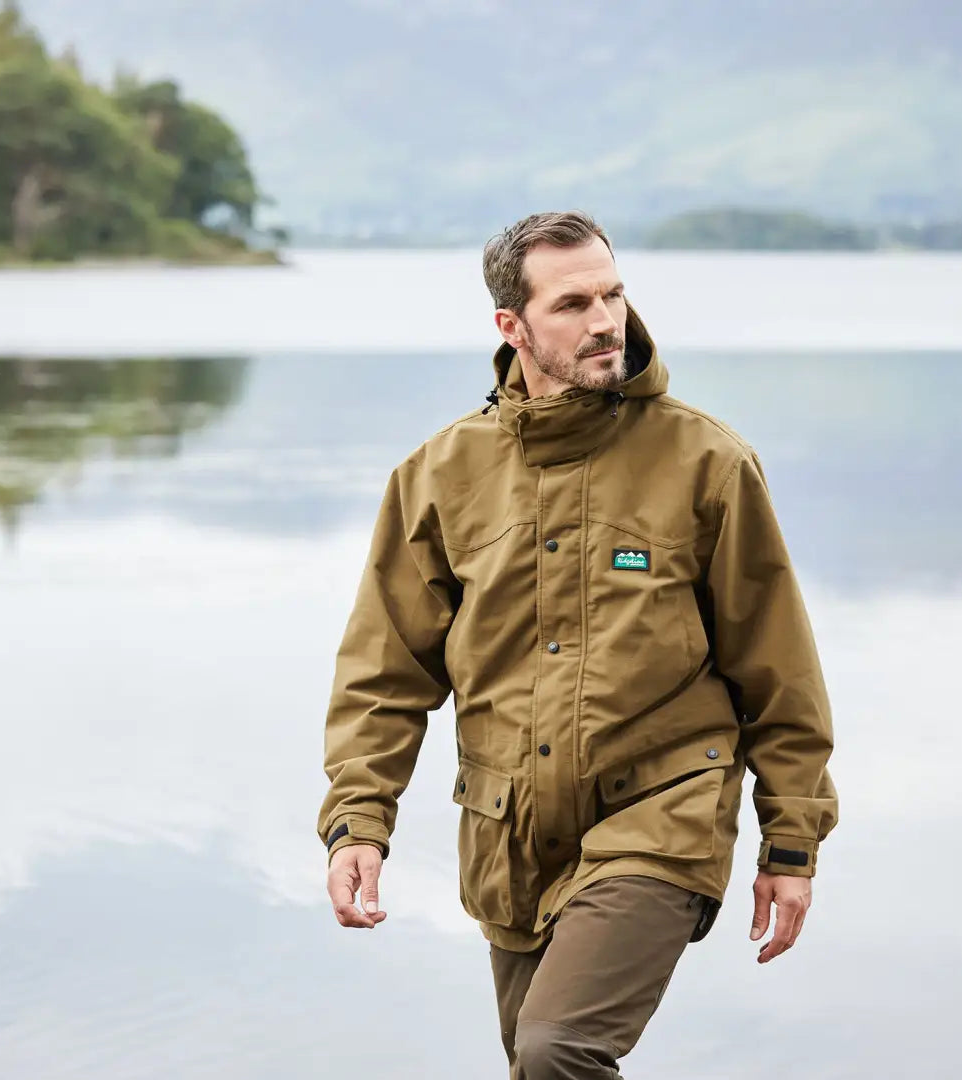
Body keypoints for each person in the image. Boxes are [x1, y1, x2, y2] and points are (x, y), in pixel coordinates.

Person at [317, 210, 839, 1079]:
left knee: (560, 1046)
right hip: (509, 833)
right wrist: (358, 822)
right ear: (512, 327)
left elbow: (777, 670)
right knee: (533, 1061)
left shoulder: (708, 463)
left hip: (663, 813)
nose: (606, 321)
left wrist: (792, 842)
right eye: (574, 303)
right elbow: (386, 675)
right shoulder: (439, 476)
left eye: (614, 293)